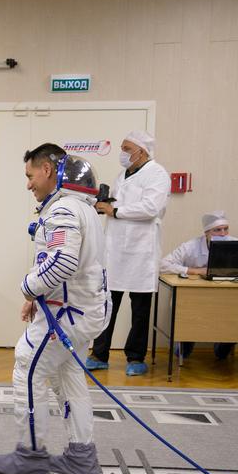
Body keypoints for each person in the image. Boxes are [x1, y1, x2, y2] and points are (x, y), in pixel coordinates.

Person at [0, 145, 108, 474]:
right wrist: (38, 295)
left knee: (27, 365)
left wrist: (28, 287)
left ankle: (31, 455)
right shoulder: (82, 208)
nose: (28, 184)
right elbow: (65, 262)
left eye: (30, 176)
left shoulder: (63, 211)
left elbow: (63, 262)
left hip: (69, 313)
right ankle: (81, 455)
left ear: (47, 170)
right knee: (68, 377)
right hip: (82, 311)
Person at [89, 131, 170, 376]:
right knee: (107, 304)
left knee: (140, 309)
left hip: (140, 251)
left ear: (141, 151)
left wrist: (116, 210)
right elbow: (117, 206)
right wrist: (104, 206)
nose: (122, 153)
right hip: (115, 250)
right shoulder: (122, 175)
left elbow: (150, 207)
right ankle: (99, 354)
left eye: (126, 148)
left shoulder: (157, 174)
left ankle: (136, 357)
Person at [159, 210, 238, 360]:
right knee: (190, 314)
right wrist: (194, 270)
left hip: (226, 300)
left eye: (225, 229)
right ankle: (186, 341)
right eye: (217, 230)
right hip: (195, 300)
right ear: (207, 233)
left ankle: (224, 345)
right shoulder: (191, 246)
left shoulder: (236, 244)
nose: (223, 234)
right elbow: (163, 265)